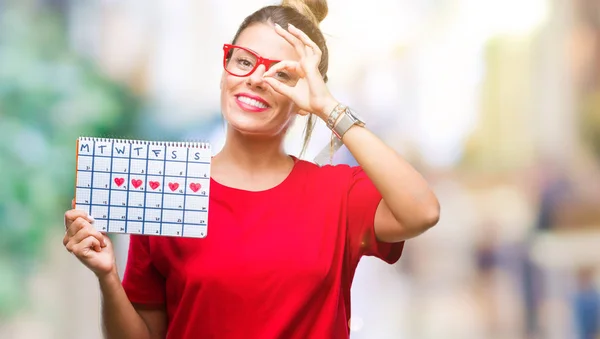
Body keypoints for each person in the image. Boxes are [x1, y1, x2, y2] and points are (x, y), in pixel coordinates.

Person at [62, 1, 440, 338]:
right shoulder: (167, 187)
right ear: (225, 71)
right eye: (244, 61)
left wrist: (330, 109)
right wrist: (107, 276)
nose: (256, 78)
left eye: (282, 74)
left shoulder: (339, 194)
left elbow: (422, 211)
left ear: (305, 97)